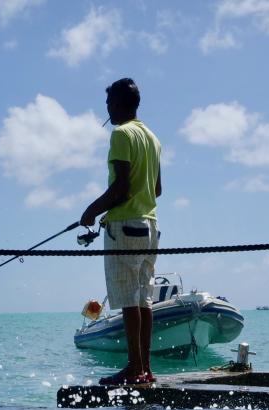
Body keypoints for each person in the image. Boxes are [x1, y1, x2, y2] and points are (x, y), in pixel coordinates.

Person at [81, 78, 162, 387]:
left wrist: (91, 211)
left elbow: (121, 187)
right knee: (144, 299)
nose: (107, 110)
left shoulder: (120, 134)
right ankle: (146, 369)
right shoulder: (153, 138)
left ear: (116, 103)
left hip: (124, 227)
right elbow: (157, 188)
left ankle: (133, 368)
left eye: (107, 104)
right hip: (151, 226)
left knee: (130, 300)